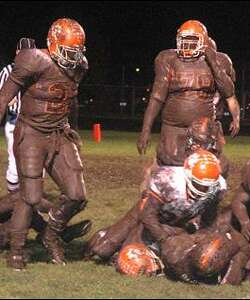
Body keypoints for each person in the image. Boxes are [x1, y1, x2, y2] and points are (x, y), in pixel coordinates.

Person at [0, 18, 88, 270]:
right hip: (32, 133)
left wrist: (71, 127)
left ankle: (50, 235)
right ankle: (16, 251)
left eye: (76, 51)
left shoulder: (80, 66)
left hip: (59, 133)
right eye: (67, 50)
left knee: (76, 195)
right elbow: (4, 97)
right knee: (30, 196)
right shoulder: (33, 59)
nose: (72, 57)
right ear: (52, 43)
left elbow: (70, 100)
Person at [85, 150, 227, 263]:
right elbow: (147, 215)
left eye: (207, 186)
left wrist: (199, 237)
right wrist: (163, 239)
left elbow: (209, 219)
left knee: (156, 256)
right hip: (148, 212)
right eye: (199, 184)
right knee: (103, 250)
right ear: (187, 174)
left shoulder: (218, 187)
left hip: (177, 221)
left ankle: (125, 250)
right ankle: (97, 242)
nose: (203, 189)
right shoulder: (167, 179)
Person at [137, 20, 240, 167]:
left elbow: (229, 93)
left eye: (192, 41)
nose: (187, 45)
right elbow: (156, 98)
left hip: (204, 129)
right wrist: (145, 130)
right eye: (184, 40)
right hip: (173, 127)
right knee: (170, 167)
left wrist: (212, 61)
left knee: (205, 169)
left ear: (203, 41)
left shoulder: (220, 60)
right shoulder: (167, 59)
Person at [0, 38, 36, 192]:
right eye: (24, 53)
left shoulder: (39, 73)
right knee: (15, 164)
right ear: (17, 53)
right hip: (15, 121)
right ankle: (13, 202)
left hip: (34, 123)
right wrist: (8, 99)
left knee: (35, 164)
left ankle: (29, 201)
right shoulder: (7, 71)